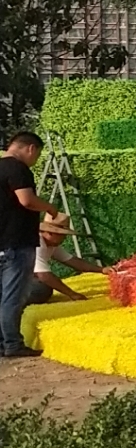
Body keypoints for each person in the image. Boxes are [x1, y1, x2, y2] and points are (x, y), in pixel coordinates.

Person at [1, 132, 67, 358]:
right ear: (31, 148)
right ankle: (13, 344)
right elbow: (26, 200)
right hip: (16, 242)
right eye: (36, 156)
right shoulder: (17, 168)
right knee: (13, 297)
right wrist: (49, 208)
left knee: (2, 296)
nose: (35, 160)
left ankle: (3, 343)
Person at [28, 215, 106, 305]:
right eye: (62, 235)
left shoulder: (51, 245)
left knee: (43, 288)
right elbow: (43, 275)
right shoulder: (36, 244)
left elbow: (73, 261)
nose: (64, 238)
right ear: (50, 233)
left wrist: (102, 270)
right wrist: (72, 294)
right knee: (41, 289)